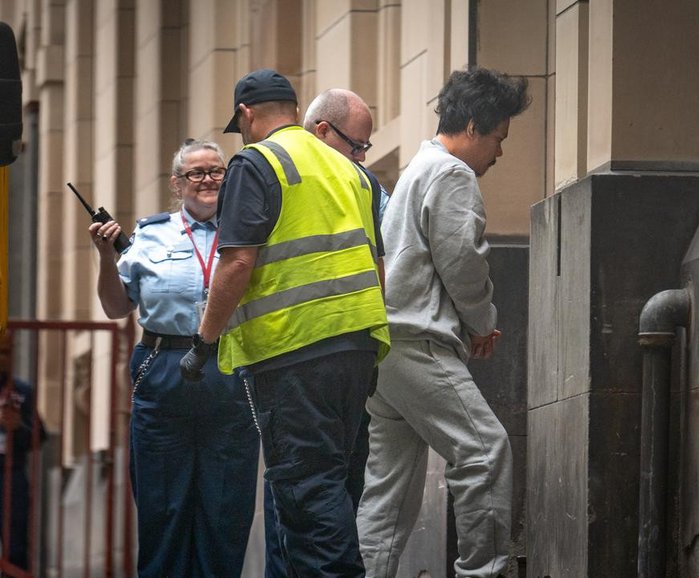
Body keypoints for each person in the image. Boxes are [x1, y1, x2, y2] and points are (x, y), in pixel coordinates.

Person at [179, 69, 389, 578]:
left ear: (246, 115)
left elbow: (237, 261)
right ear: (296, 111)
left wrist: (204, 341)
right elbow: (377, 263)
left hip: (294, 352)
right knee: (337, 485)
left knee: (307, 491)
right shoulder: (353, 171)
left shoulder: (257, 162)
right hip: (358, 349)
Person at [356, 67, 530, 578]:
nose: (500, 152)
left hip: (386, 348)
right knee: (485, 452)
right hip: (418, 341)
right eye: (499, 138)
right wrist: (482, 323)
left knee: (388, 492)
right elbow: (463, 261)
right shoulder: (452, 174)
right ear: (473, 126)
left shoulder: (417, 168)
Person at [89, 139, 260, 578]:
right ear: (176, 184)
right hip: (164, 366)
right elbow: (115, 307)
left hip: (229, 366)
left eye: (216, 171)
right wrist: (106, 257)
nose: (207, 180)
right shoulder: (150, 235)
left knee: (226, 505)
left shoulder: (249, 230)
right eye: (195, 173)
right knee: (162, 503)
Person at [302, 87, 384, 511]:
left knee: (337, 481)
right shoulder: (281, 181)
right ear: (322, 131)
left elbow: (383, 261)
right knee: (309, 485)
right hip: (300, 357)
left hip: (351, 355)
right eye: (357, 146)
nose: (362, 157)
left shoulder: (365, 185)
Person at [0, 333, 46, 572]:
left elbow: (40, 436)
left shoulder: (22, 390)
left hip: (11, 475)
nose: (2, 359)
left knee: (15, 547)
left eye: (6, 352)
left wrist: (18, 427)